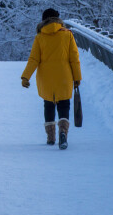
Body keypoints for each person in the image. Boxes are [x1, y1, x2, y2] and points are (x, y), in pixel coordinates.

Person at [21, 8, 82, 150]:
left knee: (48, 104)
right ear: (58, 19)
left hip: (46, 77)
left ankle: (50, 137)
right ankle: (63, 133)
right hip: (64, 75)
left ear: (44, 20)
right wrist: (77, 77)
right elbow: (74, 58)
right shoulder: (68, 35)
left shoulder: (40, 37)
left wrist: (26, 76)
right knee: (64, 104)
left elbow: (33, 59)